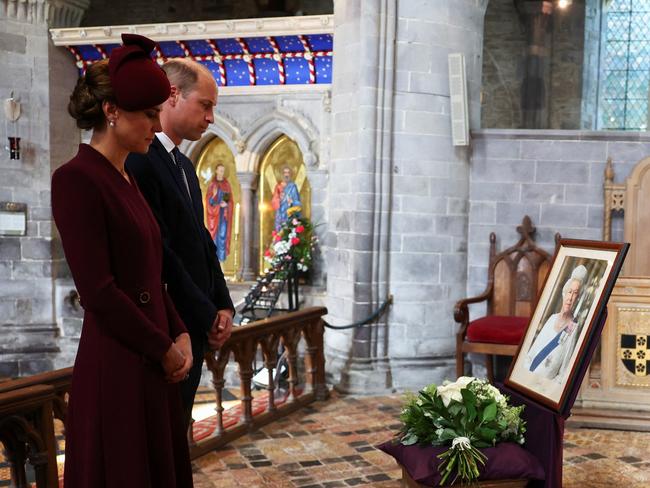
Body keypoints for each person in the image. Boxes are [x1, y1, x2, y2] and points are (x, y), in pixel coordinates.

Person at [52, 34, 193, 487]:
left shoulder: (126, 177)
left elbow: (151, 269)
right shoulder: (76, 179)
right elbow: (100, 292)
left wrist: (181, 329)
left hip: (151, 353)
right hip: (118, 358)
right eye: (148, 115)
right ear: (112, 112)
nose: (156, 125)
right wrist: (163, 346)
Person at [126, 58, 234, 430]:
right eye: (205, 105)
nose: (211, 118)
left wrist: (224, 304)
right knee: (163, 431)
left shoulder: (184, 167)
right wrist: (206, 317)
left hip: (197, 318)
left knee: (178, 429)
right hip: (172, 325)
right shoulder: (141, 162)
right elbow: (163, 251)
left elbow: (202, 240)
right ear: (172, 95)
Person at [525, 264, 587, 381]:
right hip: (529, 375)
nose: (570, 297)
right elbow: (530, 355)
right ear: (564, 293)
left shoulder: (573, 328)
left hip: (544, 387)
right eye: (569, 292)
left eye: (575, 293)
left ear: (578, 299)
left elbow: (563, 373)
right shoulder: (552, 319)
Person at [206, 164, 233, 262]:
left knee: (222, 235)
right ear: (216, 171)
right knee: (214, 237)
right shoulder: (212, 185)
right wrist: (215, 200)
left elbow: (228, 198)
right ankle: (214, 260)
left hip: (223, 215)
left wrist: (225, 203)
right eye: (220, 170)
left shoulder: (226, 184)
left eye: (223, 170)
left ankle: (221, 260)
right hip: (214, 215)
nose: (222, 172)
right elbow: (209, 201)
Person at [271, 165, 301, 230]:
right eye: (285, 173)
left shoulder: (293, 186)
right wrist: (279, 198)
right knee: (280, 230)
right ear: (282, 174)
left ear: (290, 174)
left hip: (289, 212)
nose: (286, 175)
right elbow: (273, 201)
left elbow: (298, 202)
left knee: (288, 230)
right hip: (280, 212)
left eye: (288, 173)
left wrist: (292, 201)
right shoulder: (278, 186)